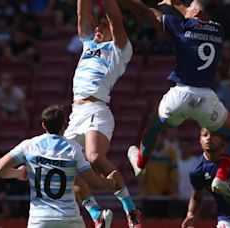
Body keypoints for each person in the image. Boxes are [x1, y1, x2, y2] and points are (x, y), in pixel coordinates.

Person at [120, 0, 230, 205]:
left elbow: (148, 13)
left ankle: (141, 162)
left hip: (181, 95)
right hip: (207, 99)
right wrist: (175, 2)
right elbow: (193, 13)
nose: (185, 9)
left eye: (189, 6)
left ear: (196, 12)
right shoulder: (219, 30)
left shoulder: (182, 26)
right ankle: (221, 177)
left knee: (153, 124)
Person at [64, 0, 142, 226]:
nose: (98, 29)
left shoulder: (120, 50)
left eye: (103, 26)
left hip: (97, 109)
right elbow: (82, 13)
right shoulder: (88, 44)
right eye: (96, 26)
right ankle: (97, 217)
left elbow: (115, 19)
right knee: (66, 166)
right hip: (75, 113)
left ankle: (131, 210)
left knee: (95, 158)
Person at [0, 105, 117, 228]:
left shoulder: (29, 146)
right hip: (68, 218)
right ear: (65, 125)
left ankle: (97, 216)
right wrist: (110, 182)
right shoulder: (74, 149)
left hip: (39, 220)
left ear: (43, 125)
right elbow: (94, 183)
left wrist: (18, 174)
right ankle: (97, 217)